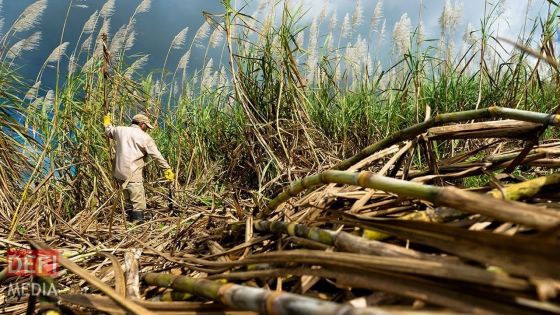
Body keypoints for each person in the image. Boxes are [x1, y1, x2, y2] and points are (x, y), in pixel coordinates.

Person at [103, 113, 174, 223]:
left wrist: (107, 123)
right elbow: (156, 156)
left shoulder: (120, 130)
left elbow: (108, 131)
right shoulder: (145, 137)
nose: (147, 129)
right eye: (146, 126)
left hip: (119, 172)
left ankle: (129, 221)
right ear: (142, 125)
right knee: (138, 202)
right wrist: (166, 169)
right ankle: (138, 225)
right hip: (132, 173)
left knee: (127, 198)